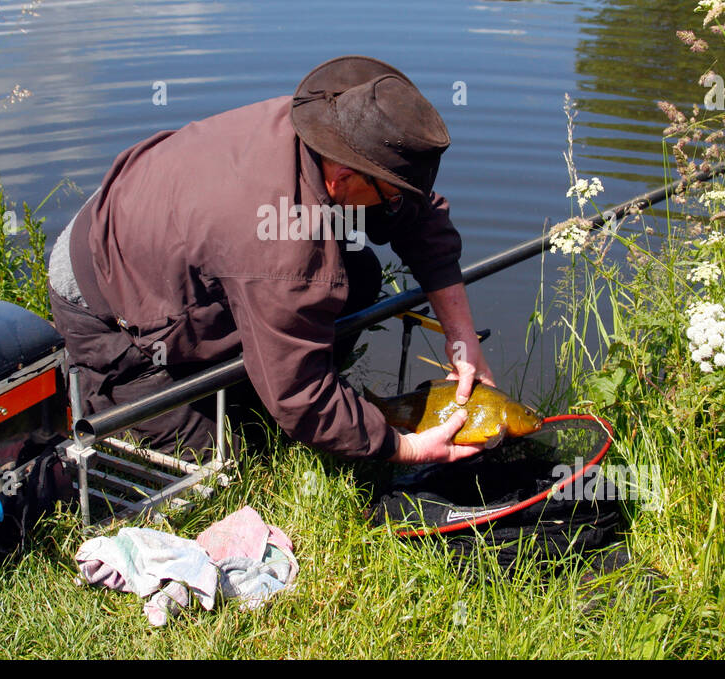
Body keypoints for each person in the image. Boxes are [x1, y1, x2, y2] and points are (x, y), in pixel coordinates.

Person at [48, 55, 494, 465]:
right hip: (106, 300)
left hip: (176, 234)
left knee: (356, 276)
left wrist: (463, 342)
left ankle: (263, 369)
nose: (399, 205)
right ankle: (110, 390)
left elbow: (420, 218)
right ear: (343, 177)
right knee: (230, 459)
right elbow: (299, 393)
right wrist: (406, 447)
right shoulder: (282, 249)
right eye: (392, 196)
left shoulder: (329, 128)